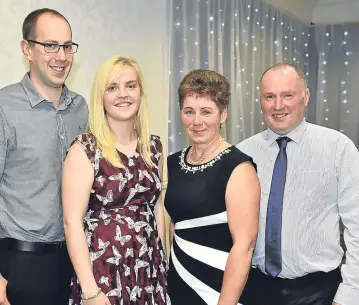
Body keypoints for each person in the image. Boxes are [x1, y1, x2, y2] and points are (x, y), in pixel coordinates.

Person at [0, 8, 88, 305]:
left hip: (75, 261)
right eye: (50, 45)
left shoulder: (80, 108)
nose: (61, 56)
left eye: (67, 46)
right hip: (21, 265)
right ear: (26, 49)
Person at [237, 62, 359, 305]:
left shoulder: (338, 148)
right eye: (269, 96)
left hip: (319, 293)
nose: (278, 105)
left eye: (287, 95)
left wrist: (348, 295)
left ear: (305, 97)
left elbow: (357, 226)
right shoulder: (242, 153)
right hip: (253, 290)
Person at [62, 55, 169, 305]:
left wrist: (162, 265)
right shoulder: (84, 150)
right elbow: (72, 223)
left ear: (141, 93)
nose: (123, 94)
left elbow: (156, 207)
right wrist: (90, 291)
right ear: (101, 97)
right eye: (112, 87)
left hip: (149, 270)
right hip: (103, 274)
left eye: (131, 86)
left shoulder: (154, 147)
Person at [165, 69, 260, 305]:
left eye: (206, 111)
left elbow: (245, 246)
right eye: (189, 112)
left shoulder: (238, 167)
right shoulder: (172, 162)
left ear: (223, 114)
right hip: (179, 284)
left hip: (220, 291)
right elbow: (175, 223)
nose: (197, 121)